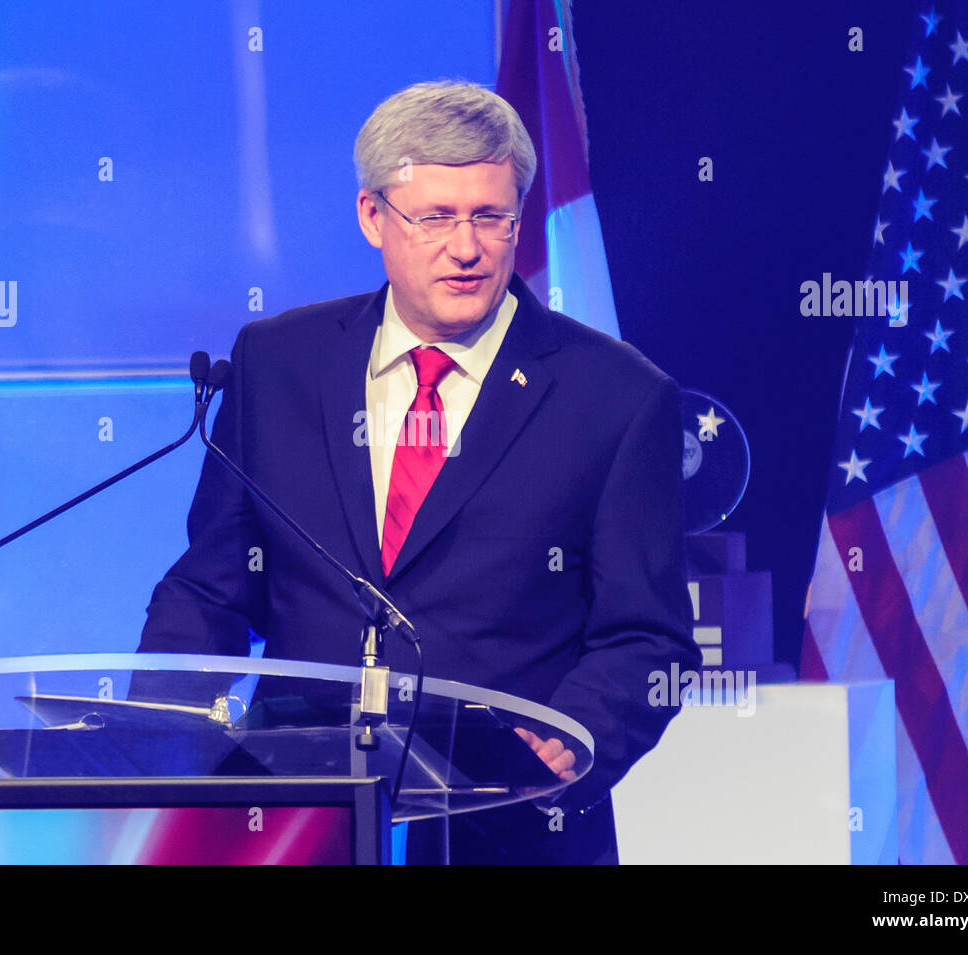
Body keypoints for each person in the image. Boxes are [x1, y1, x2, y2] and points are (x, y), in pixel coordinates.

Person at [137, 81, 700, 864]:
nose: (465, 248)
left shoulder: (616, 396)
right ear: (373, 217)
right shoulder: (278, 363)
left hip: (508, 827)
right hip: (298, 818)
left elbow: (648, 636)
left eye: (491, 218)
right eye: (434, 217)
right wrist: (152, 732)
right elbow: (213, 584)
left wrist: (571, 740)